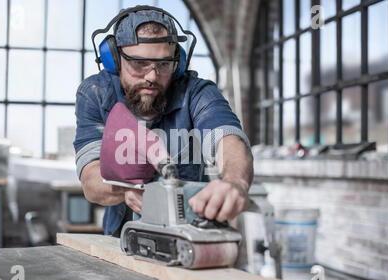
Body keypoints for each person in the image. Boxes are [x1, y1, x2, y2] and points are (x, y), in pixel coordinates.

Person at [73, 6, 254, 237]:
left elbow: (228, 139)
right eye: (139, 64)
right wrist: (126, 190)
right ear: (115, 61)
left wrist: (235, 181)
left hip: (191, 231)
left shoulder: (196, 92)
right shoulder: (96, 93)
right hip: (124, 236)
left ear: (177, 63)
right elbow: (91, 180)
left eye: (163, 64)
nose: (152, 76)